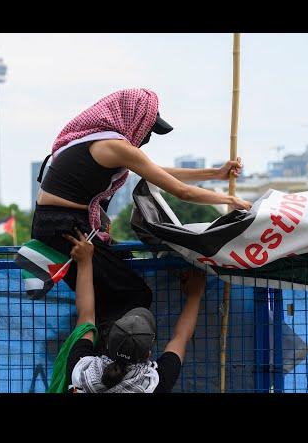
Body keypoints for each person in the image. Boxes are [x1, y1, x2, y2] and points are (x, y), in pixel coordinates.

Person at [31, 88, 250, 348]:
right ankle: (110, 361)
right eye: (148, 129)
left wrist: (215, 173)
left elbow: (155, 171)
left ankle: (98, 354)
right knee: (133, 293)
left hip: (55, 225)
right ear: (133, 118)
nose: (147, 136)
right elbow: (180, 190)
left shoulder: (96, 140)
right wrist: (230, 201)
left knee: (114, 285)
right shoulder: (115, 146)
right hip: (67, 229)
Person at [62, 229, 206, 393]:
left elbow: (85, 318)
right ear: (148, 355)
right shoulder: (152, 383)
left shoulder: (82, 372)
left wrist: (84, 261)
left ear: (107, 342)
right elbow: (180, 338)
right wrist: (195, 295)